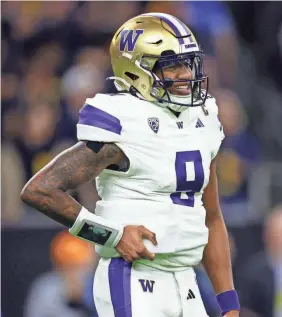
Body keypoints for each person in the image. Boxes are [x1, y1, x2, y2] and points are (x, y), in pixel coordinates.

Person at [21, 13, 240, 317]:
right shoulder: (124, 123)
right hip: (134, 278)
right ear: (138, 71)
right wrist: (112, 234)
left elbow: (212, 218)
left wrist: (228, 303)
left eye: (188, 63)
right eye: (171, 65)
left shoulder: (201, 122)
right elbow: (40, 190)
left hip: (186, 278)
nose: (186, 74)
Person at [23, 230, 96, 317]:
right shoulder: (46, 289)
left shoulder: (97, 288)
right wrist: (69, 299)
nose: (74, 274)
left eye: (77, 267)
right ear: (58, 267)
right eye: (68, 267)